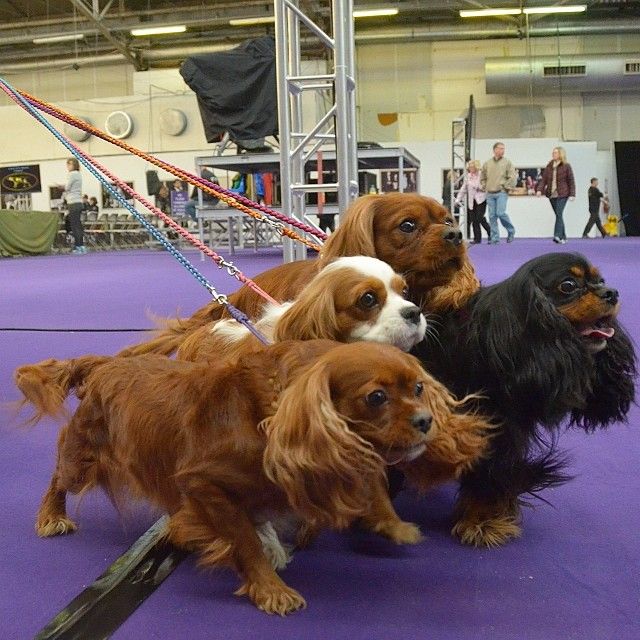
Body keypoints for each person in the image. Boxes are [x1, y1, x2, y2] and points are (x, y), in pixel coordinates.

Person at [536, 146, 575, 244]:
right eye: (553, 153)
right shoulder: (549, 166)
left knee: (559, 213)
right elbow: (544, 179)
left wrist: (572, 194)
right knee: (559, 215)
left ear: (561, 154)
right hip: (551, 194)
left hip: (563, 194)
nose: (553, 154)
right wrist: (540, 190)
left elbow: (571, 180)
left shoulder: (566, 166)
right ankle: (564, 236)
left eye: (556, 153)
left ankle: (557, 235)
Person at [481, 142, 517, 244]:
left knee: (500, 213)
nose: (502, 151)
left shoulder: (507, 162)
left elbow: (512, 177)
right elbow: (482, 176)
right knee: (492, 216)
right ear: (495, 150)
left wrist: (505, 186)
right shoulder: (487, 163)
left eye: (503, 149)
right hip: (490, 193)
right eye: (500, 148)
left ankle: (511, 230)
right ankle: (495, 238)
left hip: (501, 192)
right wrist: (484, 185)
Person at [455, 160, 490, 244]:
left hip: (481, 200)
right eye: (469, 167)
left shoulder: (482, 175)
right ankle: (477, 239)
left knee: (480, 218)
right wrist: (458, 199)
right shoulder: (468, 176)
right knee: (474, 220)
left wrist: (478, 187)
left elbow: (486, 186)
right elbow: (464, 188)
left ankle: (491, 234)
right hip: (472, 201)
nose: (470, 168)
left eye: (472, 166)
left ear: (476, 167)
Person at [63, 157, 87, 254]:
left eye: (70, 164)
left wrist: (62, 187)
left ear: (74, 165)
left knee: (74, 226)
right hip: (79, 202)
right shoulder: (79, 174)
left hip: (73, 202)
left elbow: (67, 187)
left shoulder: (72, 174)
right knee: (78, 225)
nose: (68, 166)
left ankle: (78, 246)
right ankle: (81, 245)